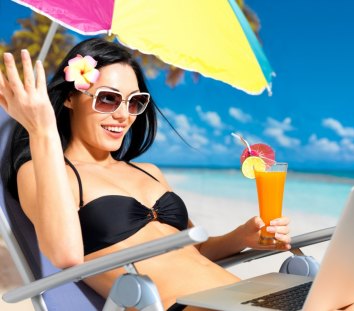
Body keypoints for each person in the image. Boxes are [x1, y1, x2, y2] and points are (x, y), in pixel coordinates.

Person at [0, 38, 291, 310]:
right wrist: (42, 129)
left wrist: (242, 236)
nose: (123, 115)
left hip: (244, 297)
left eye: (134, 102)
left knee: (333, 294)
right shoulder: (46, 173)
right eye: (108, 99)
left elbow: (194, 250)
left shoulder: (149, 172)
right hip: (183, 305)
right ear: (70, 98)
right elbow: (66, 256)